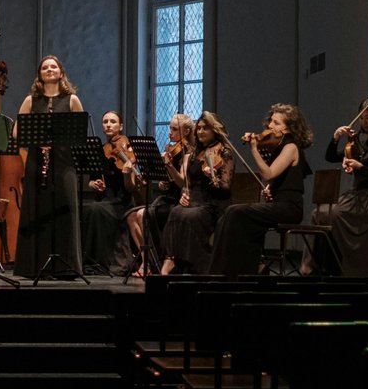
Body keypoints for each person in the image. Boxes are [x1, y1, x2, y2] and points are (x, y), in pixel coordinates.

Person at [209, 103, 314, 275]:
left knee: (236, 212)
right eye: (271, 121)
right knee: (229, 215)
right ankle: (235, 270)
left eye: (276, 123)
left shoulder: (291, 147)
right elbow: (278, 180)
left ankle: (235, 272)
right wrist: (270, 189)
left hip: (290, 208)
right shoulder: (279, 147)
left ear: (289, 127)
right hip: (279, 205)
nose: (270, 126)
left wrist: (254, 149)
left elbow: (268, 173)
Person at [303, 97, 368, 277]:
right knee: (318, 214)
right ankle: (315, 267)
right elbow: (330, 157)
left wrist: (360, 167)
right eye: (361, 118)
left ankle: (346, 265)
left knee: (336, 214)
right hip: (356, 197)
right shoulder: (357, 142)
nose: (364, 122)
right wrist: (336, 137)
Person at [13, 55, 84, 277]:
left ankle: (65, 267)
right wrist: (37, 139)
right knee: (37, 211)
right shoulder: (30, 101)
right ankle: (33, 266)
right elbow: (17, 132)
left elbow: (79, 131)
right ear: (40, 74)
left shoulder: (72, 99)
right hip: (37, 161)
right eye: (45, 67)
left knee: (65, 211)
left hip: (63, 162)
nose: (49, 70)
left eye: (54, 67)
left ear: (61, 72)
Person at [158, 111, 236, 275]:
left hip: (214, 204)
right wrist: (185, 193)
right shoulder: (194, 153)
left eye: (205, 128)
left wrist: (213, 178)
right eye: (198, 128)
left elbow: (225, 188)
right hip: (195, 201)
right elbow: (187, 183)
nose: (200, 131)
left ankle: (195, 266)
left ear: (215, 130)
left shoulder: (225, 152)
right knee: (176, 211)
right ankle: (170, 260)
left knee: (189, 216)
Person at [125, 112, 192, 276]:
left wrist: (169, 166)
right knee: (131, 216)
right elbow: (168, 182)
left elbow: (183, 182)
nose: (170, 132)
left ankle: (154, 263)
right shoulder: (171, 149)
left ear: (188, 131)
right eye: (170, 128)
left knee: (142, 214)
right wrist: (163, 181)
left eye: (175, 129)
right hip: (167, 197)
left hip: (180, 201)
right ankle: (146, 260)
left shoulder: (189, 152)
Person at [81, 110, 138, 275]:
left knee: (95, 210)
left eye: (113, 121)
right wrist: (94, 184)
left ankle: (104, 262)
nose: (108, 124)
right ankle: (91, 261)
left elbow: (130, 188)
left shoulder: (127, 150)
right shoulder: (100, 150)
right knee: (88, 209)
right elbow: (92, 179)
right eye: (105, 121)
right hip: (104, 198)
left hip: (122, 201)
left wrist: (127, 174)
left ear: (121, 126)